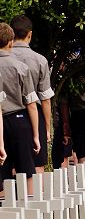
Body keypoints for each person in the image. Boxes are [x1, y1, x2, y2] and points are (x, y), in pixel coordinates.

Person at [10, 15, 54, 173]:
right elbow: (46, 99)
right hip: (33, 117)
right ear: (30, 34)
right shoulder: (40, 60)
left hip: (6, 117)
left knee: (7, 167)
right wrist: (47, 128)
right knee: (36, 166)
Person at [0, 22, 40, 195]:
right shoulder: (21, 67)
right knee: (26, 170)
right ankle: (30, 218)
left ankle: (4, 218)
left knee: (2, 172)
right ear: (11, 42)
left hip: (1, 122)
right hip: (19, 120)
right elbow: (31, 104)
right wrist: (36, 134)